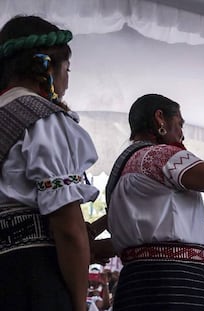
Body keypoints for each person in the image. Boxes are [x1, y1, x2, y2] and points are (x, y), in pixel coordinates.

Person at [106, 93, 204, 310]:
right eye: (179, 124)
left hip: (136, 282)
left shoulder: (125, 166)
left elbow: (152, 222)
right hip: (176, 282)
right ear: (160, 118)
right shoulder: (162, 155)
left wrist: (200, 226)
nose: (182, 134)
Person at [0, 15, 99, 310]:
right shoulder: (42, 121)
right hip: (31, 276)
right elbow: (68, 228)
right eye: (67, 69)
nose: (67, 78)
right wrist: (80, 305)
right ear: (47, 68)